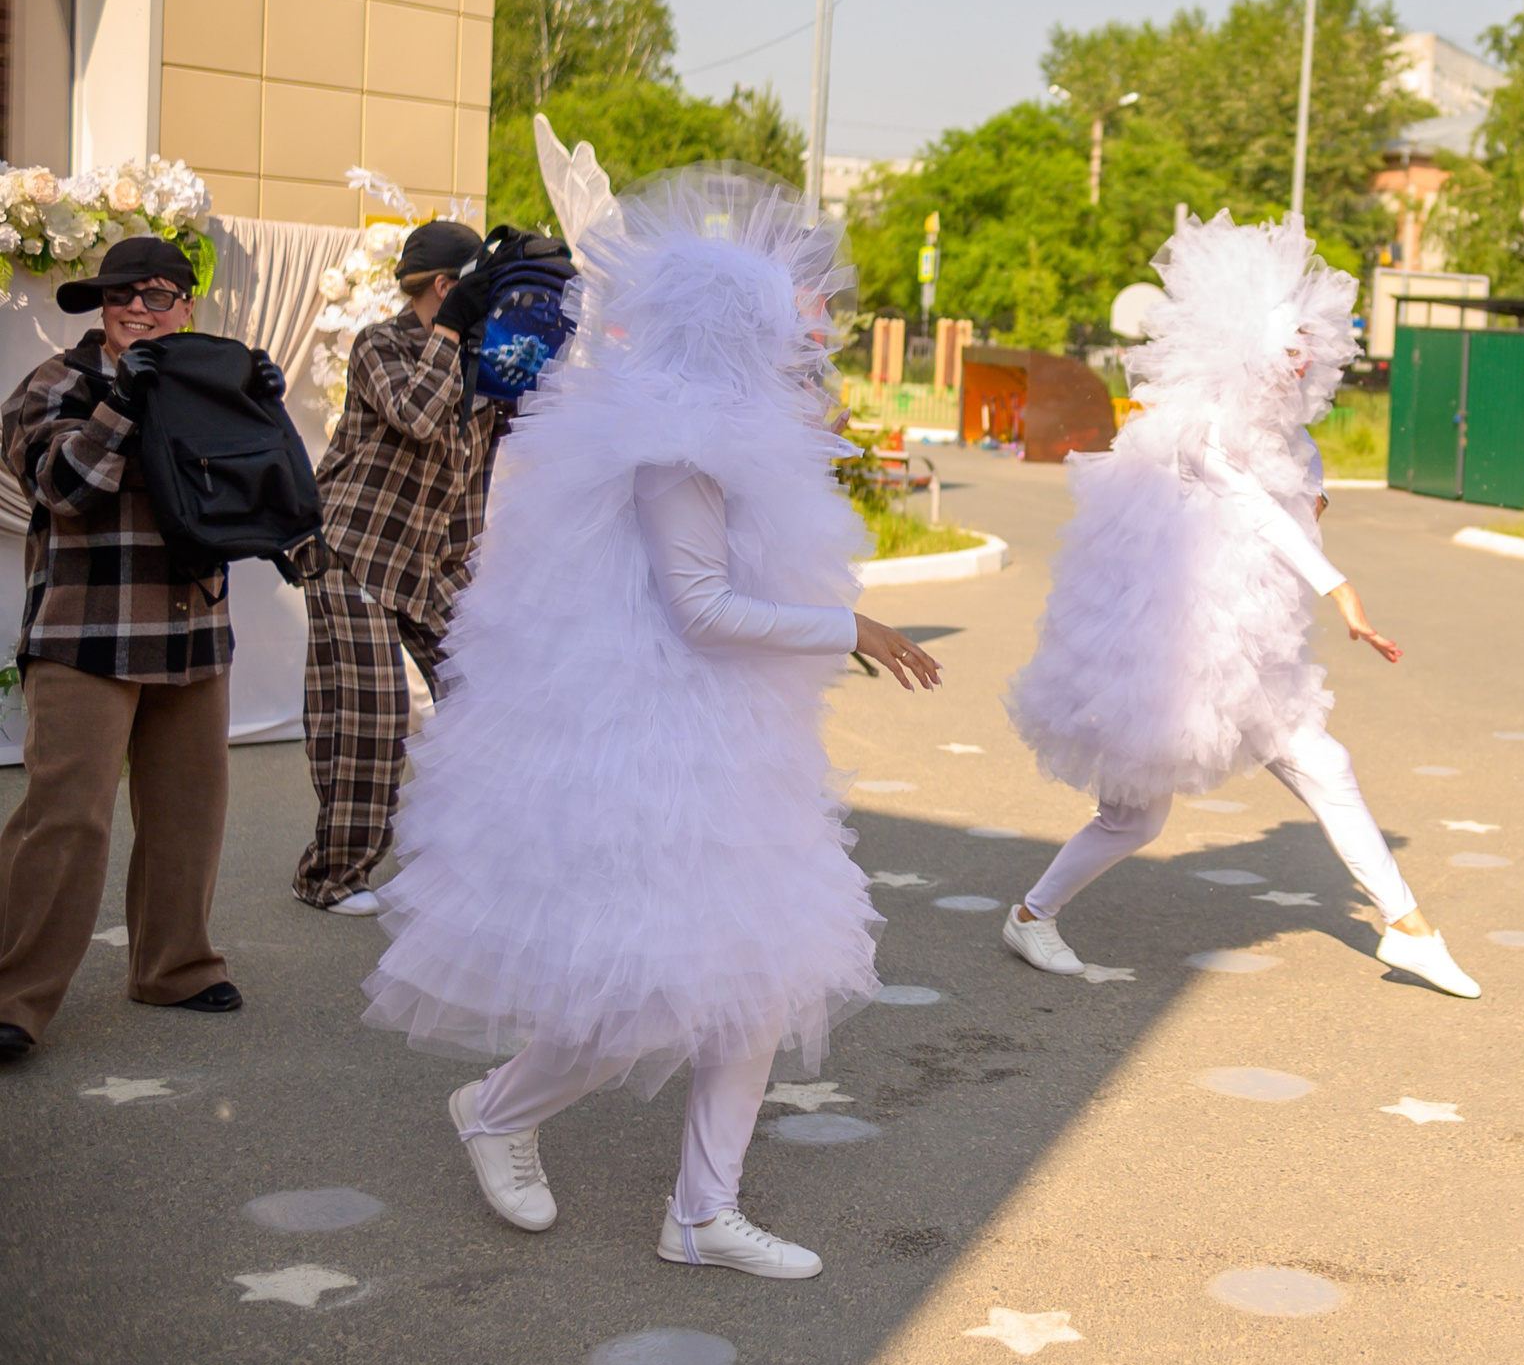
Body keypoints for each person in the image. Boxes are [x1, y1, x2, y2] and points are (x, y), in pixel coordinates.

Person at [360, 169, 943, 1279]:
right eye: (779, 326)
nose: (798, 341)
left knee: (758, 973)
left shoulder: (714, 427)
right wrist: (849, 626)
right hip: (654, 744)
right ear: (731, 334)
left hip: (724, 737)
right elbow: (702, 607)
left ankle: (702, 1211)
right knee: (634, 983)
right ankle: (495, 1108)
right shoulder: (678, 442)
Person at [1001, 212, 1479, 1000]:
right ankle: (1030, 914)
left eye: (1308, 350)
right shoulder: (1202, 431)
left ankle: (1409, 927)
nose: (1300, 363)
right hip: (1170, 642)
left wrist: (1315, 513)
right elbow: (1256, 509)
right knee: (1135, 822)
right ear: (1248, 349)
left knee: (1326, 764)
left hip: (1248, 641)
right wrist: (1340, 587)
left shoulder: (1300, 440)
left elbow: (1298, 506)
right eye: (1287, 348)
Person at [0, 236, 278, 1061]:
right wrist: (125, 401)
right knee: (66, 817)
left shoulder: (208, 381)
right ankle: (14, 994)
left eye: (158, 294)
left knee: (188, 811)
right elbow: (65, 490)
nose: (136, 307)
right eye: (121, 293)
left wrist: (260, 415)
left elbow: (245, 495)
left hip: (192, 623)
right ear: (102, 307)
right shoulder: (54, 384)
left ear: (188, 306)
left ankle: (174, 966)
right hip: (86, 628)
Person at [292, 220, 504, 917]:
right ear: (447, 287)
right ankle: (331, 875)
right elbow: (416, 413)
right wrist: (449, 333)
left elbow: (484, 466)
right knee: (375, 713)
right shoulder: (383, 343)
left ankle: (465, 857)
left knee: (488, 697)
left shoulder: (486, 359)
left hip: (430, 561)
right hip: (354, 548)